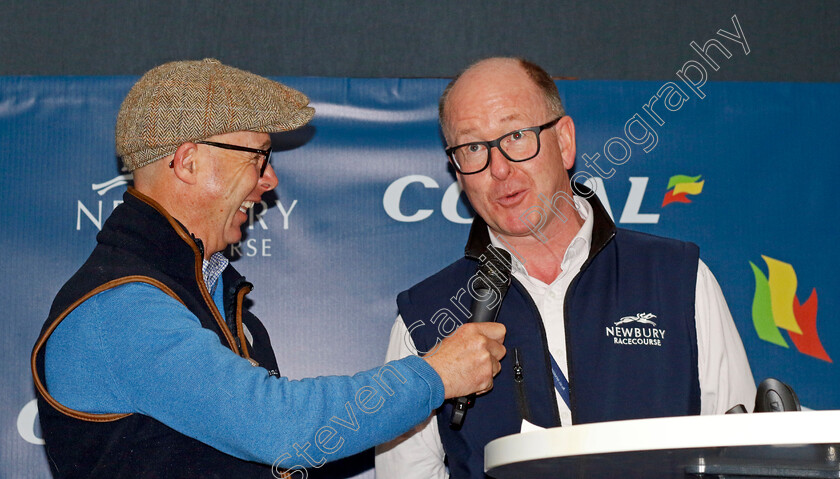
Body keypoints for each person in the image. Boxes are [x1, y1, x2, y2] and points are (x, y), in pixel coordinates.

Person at [31, 58, 506, 478]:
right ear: (189, 161)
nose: (270, 180)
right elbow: (282, 430)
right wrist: (436, 374)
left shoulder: (219, 303)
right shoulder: (118, 310)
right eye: (259, 158)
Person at [375, 57, 756, 479]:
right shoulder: (425, 319)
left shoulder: (678, 279)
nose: (498, 168)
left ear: (564, 141)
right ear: (457, 170)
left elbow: (741, 459)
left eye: (516, 135)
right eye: (472, 148)